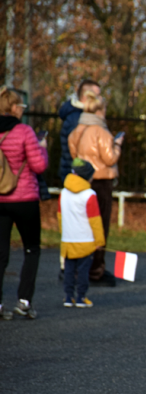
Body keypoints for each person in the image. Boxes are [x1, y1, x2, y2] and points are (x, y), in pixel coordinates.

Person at [0, 87, 49, 320]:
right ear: (12, 107)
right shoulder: (24, 131)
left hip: (0, 200)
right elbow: (39, 166)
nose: (22, 110)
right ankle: (24, 301)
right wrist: (43, 149)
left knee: (1, 252)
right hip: (24, 197)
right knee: (32, 249)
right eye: (20, 106)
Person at [68, 90, 122, 287]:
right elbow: (109, 158)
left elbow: (73, 152)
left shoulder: (77, 130)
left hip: (82, 180)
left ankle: (78, 267)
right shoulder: (101, 132)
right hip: (101, 181)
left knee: (82, 225)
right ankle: (96, 269)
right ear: (100, 110)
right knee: (100, 226)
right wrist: (117, 145)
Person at [58, 158, 105, 309]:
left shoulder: (63, 192)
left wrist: (63, 232)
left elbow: (60, 216)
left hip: (68, 239)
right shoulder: (89, 194)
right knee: (83, 270)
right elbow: (95, 220)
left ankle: (68, 296)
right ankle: (81, 297)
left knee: (69, 270)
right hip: (85, 239)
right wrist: (99, 241)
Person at [58, 79, 100, 184]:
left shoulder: (78, 116)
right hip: (77, 176)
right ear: (86, 96)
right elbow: (77, 151)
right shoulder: (77, 119)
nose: (99, 99)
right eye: (97, 96)